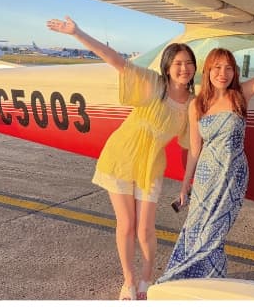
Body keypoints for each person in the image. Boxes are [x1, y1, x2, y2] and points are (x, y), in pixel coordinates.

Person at [46, 16, 196, 300]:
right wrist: (78, 32)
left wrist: (187, 181)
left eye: (188, 63)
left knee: (146, 228)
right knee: (126, 224)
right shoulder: (153, 83)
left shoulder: (191, 103)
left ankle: (147, 278)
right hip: (122, 156)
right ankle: (128, 280)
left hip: (151, 165)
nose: (184, 68)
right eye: (177, 63)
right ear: (167, 66)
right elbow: (116, 60)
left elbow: (188, 146)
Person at [157, 45, 254, 282]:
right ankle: (184, 280)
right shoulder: (197, 105)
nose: (222, 73)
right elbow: (196, 151)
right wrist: (186, 186)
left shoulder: (239, 95)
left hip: (234, 176)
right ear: (207, 71)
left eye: (228, 68)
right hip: (207, 177)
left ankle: (206, 280)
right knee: (195, 229)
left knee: (214, 234)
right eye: (217, 67)